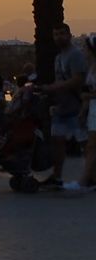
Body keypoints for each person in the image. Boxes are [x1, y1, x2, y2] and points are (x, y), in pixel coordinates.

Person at [39, 22, 87, 190]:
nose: (59, 37)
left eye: (62, 33)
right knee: (57, 141)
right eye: (56, 34)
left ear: (69, 35)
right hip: (62, 107)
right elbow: (60, 81)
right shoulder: (58, 58)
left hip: (77, 107)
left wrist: (52, 88)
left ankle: (90, 176)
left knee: (85, 144)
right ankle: (57, 176)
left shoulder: (75, 55)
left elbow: (78, 80)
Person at [64, 33, 96, 192]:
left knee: (91, 145)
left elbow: (90, 92)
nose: (83, 50)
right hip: (92, 110)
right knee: (90, 146)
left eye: (85, 48)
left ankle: (84, 180)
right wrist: (83, 110)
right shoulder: (91, 67)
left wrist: (88, 96)